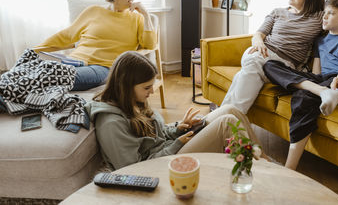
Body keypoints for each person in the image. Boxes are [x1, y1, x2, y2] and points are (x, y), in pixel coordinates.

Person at [85, 51, 265, 170]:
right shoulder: (111, 123)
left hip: (167, 149)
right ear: (126, 85)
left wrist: (179, 128)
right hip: (159, 166)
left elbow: (156, 135)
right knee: (227, 123)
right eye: (147, 88)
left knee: (231, 110)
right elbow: (134, 168)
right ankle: (264, 169)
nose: (152, 92)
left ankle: (264, 162)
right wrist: (177, 143)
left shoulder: (132, 100)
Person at [220, 0, 338, 114]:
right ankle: (227, 122)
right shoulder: (277, 12)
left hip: (283, 64)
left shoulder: (319, 17)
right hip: (261, 53)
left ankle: (220, 118)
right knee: (254, 62)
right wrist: (259, 43)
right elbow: (259, 34)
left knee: (245, 74)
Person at [263, 0, 338, 170]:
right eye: (325, 13)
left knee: (315, 91)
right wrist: (313, 81)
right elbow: (316, 71)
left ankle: (335, 91)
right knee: (270, 66)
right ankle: (324, 92)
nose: (325, 16)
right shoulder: (319, 40)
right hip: (324, 79)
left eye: (331, 14)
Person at [33, 0, 156, 91]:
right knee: (33, 69)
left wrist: (145, 14)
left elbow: (150, 45)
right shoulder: (93, 11)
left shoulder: (137, 18)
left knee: (51, 77)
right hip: (74, 60)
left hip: (103, 67)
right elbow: (66, 35)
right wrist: (35, 51)